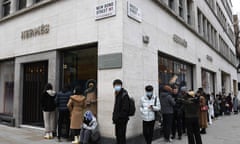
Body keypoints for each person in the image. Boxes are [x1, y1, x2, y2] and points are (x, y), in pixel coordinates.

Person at [112, 79, 130, 144]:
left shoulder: (124, 94)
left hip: (122, 120)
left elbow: (125, 109)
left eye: (118, 85)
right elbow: (116, 107)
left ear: (121, 85)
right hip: (117, 120)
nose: (116, 86)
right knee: (118, 136)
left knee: (121, 136)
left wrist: (118, 117)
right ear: (113, 86)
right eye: (115, 85)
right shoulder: (117, 94)